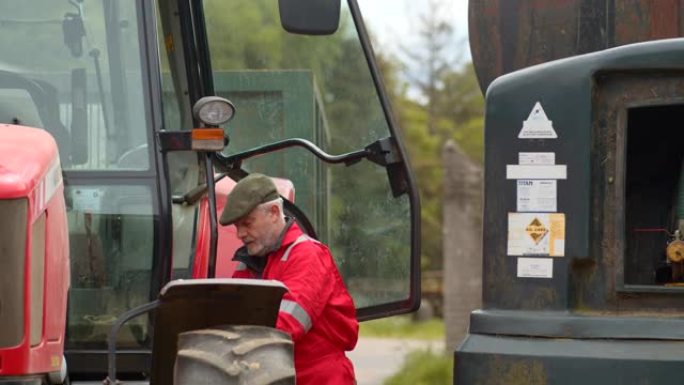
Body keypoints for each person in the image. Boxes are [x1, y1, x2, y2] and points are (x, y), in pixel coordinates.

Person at [219, 173, 358, 384]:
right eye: (237, 227)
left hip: (319, 378)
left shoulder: (308, 255)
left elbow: (286, 325)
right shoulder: (250, 261)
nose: (240, 234)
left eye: (247, 223)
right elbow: (231, 314)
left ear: (274, 212)